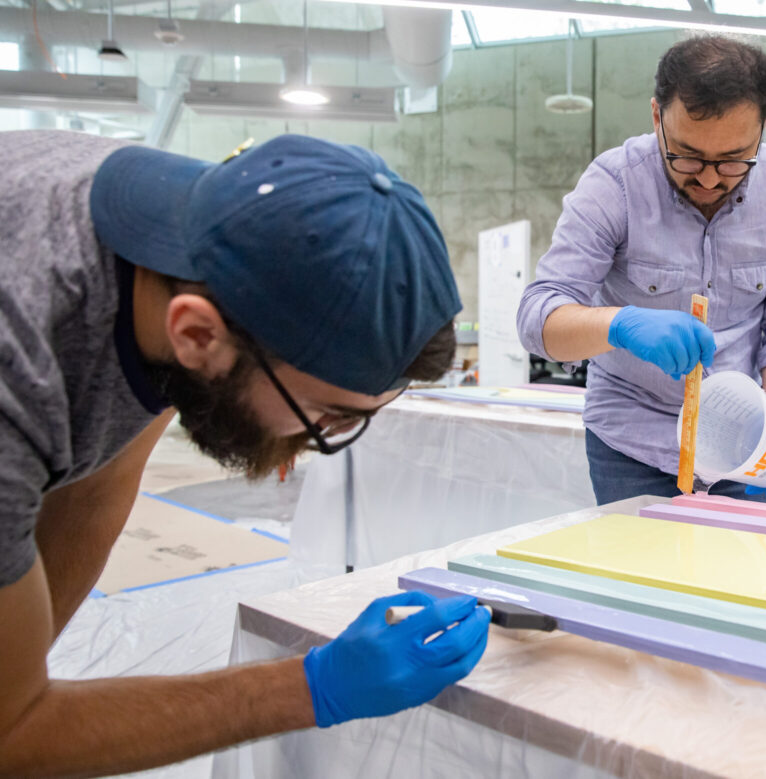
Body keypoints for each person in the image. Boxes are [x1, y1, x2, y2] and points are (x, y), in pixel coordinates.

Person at [0, 130, 489, 775]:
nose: (321, 440)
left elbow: (96, 488)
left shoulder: (221, 239)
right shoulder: (19, 365)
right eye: (325, 415)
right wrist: (310, 688)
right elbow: (11, 733)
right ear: (197, 334)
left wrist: (24, 669)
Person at [518, 35, 766, 505]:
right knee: (636, 578)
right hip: (632, 443)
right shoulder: (613, 186)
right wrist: (619, 325)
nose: (708, 178)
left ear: (762, 126)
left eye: (733, 160)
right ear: (657, 116)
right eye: (688, 155)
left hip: (743, 440)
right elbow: (539, 319)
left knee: (747, 577)